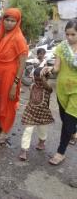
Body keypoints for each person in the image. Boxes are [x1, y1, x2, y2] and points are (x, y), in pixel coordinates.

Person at [0, 8, 28, 144]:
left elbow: (22, 63)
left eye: (13, 21)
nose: (9, 23)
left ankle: (5, 131)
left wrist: (15, 84)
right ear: (3, 20)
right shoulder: (0, 35)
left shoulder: (18, 38)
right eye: (7, 20)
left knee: (8, 102)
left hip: (9, 76)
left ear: (17, 22)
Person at [41, 20, 77, 165]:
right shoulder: (62, 47)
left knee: (68, 122)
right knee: (65, 118)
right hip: (62, 89)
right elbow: (56, 68)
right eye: (67, 34)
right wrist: (49, 70)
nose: (69, 37)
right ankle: (73, 132)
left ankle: (60, 152)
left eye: (73, 34)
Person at [18, 68, 54, 161]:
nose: (38, 81)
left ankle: (41, 142)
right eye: (36, 79)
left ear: (45, 79)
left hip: (43, 114)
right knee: (28, 130)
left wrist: (44, 80)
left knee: (43, 131)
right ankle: (24, 149)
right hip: (31, 112)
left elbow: (46, 85)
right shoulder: (32, 86)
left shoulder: (48, 88)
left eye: (40, 80)